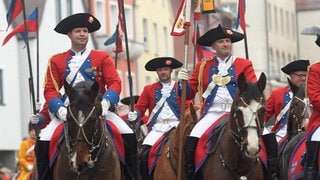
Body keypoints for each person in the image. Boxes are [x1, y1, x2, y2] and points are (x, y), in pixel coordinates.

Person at [30, 13, 137, 180]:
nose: (82, 34)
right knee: (44, 139)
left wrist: (107, 102)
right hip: (70, 110)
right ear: (69, 35)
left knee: (128, 134)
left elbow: (115, 83)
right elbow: (50, 89)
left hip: (98, 109)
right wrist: (59, 110)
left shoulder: (101, 57)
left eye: (85, 31)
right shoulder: (57, 61)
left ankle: (132, 175)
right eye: (78, 31)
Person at [177, 24, 257, 180]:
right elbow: (187, 94)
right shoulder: (203, 66)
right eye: (221, 41)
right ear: (213, 46)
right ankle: (191, 175)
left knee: (266, 136)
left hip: (238, 113)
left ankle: (272, 174)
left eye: (228, 41)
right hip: (212, 113)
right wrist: (182, 83)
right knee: (192, 138)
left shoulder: (244, 64)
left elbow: (253, 90)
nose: (226, 44)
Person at [127, 57, 190, 180]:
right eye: (160, 70)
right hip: (157, 129)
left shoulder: (180, 87)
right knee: (143, 155)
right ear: (157, 72)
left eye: (165, 69)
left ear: (171, 71)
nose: (163, 72)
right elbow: (140, 108)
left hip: (177, 127)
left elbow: (188, 107)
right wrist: (135, 114)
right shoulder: (149, 89)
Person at [262, 59, 309, 178]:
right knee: (269, 154)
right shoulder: (277, 94)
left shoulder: (312, 93)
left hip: (307, 130)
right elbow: (264, 116)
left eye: (305, 75)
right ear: (291, 76)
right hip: (282, 133)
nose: (303, 78)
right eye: (300, 75)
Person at [304, 37, 320, 179]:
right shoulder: (315, 69)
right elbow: (315, 98)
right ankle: (311, 171)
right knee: (316, 137)